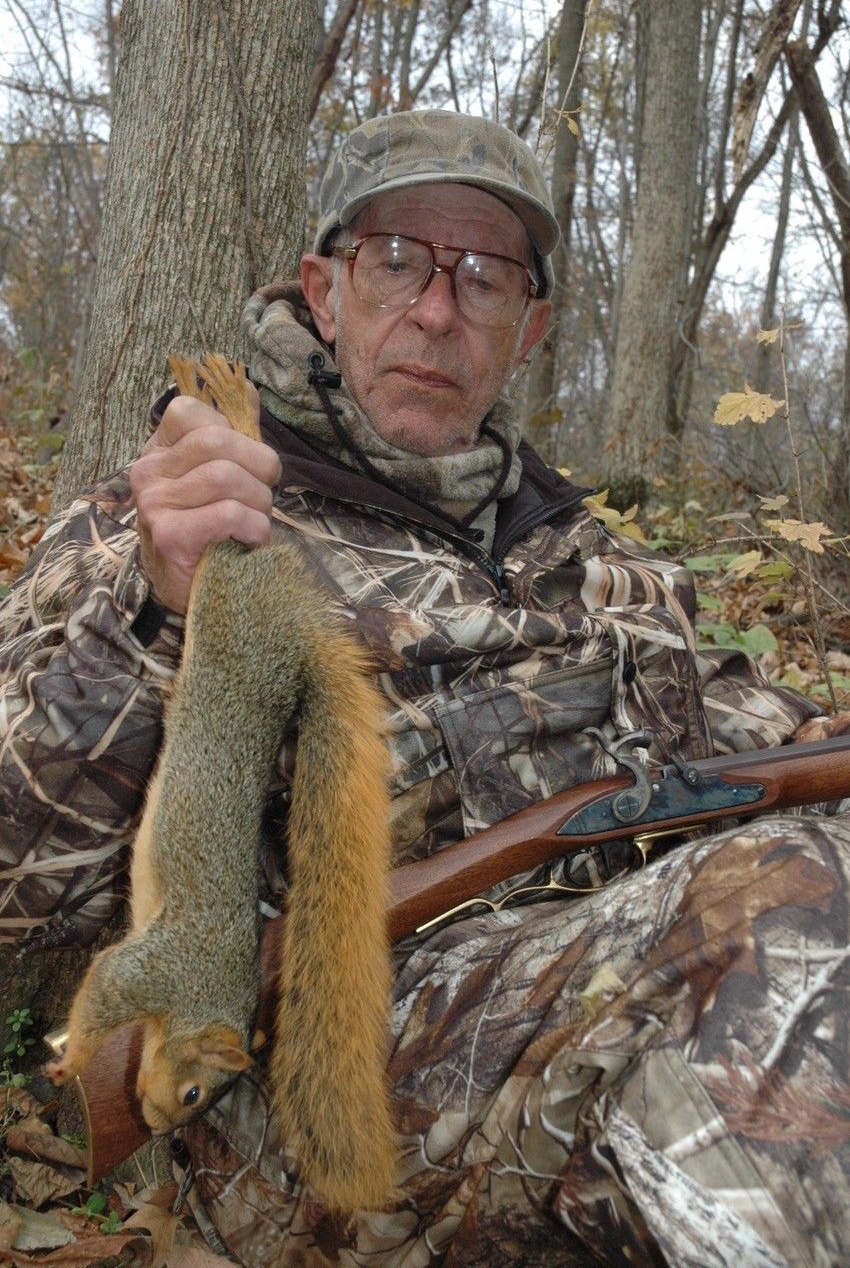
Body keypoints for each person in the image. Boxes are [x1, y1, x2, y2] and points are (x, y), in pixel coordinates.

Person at [2, 108, 850, 1268]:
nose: (437, 310)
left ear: (529, 326)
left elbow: (774, 745)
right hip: (318, 1094)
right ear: (323, 285)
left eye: (484, 278)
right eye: (396, 262)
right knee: (786, 902)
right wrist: (152, 603)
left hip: (635, 1000)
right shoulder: (176, 522)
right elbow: (17, 885)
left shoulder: (607, 563)